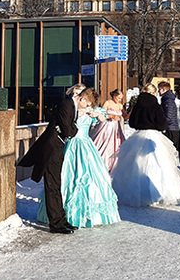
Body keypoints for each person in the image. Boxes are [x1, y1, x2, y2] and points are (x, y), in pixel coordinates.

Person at [38, 88, 120, 228]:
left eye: (89, 104)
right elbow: (67, 127)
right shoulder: (71, 108)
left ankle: (84, 215)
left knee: (91, 176)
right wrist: (81, 115)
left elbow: (104, 117)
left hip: (86, 145)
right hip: (71, 144)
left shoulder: (90, 110)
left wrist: (96, 114)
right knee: (67, 177)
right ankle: (61, 216)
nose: (87, 106)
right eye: (86, 103)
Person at [111, 84, 180, 206]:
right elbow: (162, 124)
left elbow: (131, 122)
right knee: (158, 165)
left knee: (135, 165)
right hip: (153, 136)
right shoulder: (155, 105)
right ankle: (156, 194)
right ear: (153, 93)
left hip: (139, 135)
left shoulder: (137, 105)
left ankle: (136, 193)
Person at [17, 84, 78, 234]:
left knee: (56, 187)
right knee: (52, 187)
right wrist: (74, 127)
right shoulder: (67, 105)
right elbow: (69, 130)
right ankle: (56, 223)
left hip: (56, 149)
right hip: (51, 150)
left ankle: (61, 220)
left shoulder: (71, 107)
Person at [90, 89, 126, 173]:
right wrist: (110, 116)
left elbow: (125, 116)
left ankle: (114, 164)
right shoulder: (107, 103)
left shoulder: (120, 105)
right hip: (107, 126)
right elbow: (101, 113)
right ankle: (102, 162)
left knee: (116, 144)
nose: (119, 100)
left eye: (121, 98)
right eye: (118, 98)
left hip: (116, 127)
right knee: (104, 144)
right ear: (114, 96)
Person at [158, 81, 180, 150]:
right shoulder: (166, 99)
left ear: (164, 89)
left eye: (159, 89)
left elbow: (168, 116)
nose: (158, 91)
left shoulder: (168, 100)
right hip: (171, 128)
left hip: (171, 130)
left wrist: (162, 125)